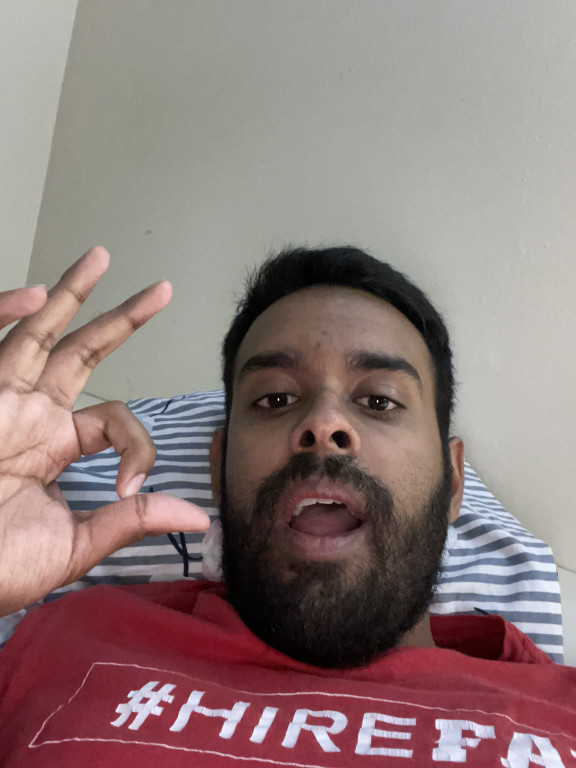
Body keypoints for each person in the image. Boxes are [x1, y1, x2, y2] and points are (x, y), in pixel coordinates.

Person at [0, 245, 574, 766]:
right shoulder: (63, 644)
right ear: (219, 469)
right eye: (276, 398)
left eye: (379, 400)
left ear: (452, 482)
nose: (324, 422)